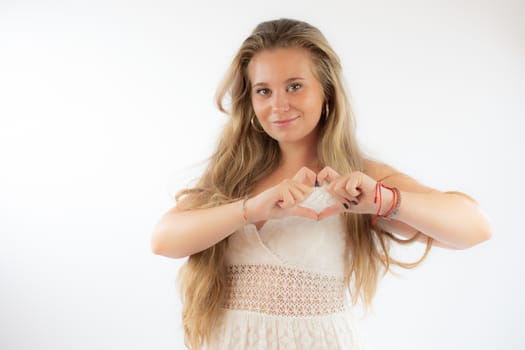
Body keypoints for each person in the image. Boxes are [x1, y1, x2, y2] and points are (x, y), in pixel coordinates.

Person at [151, 18, 492, 350]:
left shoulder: (357, 177)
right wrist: (250, 209)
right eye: (264, 91)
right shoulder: (234, 173)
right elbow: (164, 240)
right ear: (250, 101)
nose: (278, 104)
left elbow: (475, 227)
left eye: (295, 86)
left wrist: (382, 200)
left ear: (326, 92)